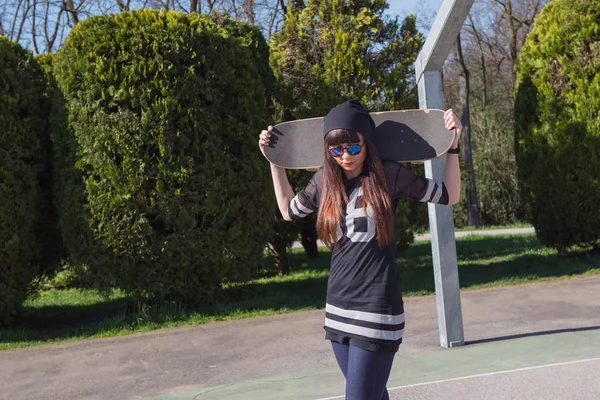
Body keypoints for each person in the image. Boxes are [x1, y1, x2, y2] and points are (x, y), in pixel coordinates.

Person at [258, 99, 462, 400]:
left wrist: (454, 147)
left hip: (377, 308)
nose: (345, 156)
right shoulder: (324, 182)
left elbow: (449, 195)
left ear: (367, 143)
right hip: (338, 307)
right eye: (336, 150)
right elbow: (289, 210)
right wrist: (276, 161)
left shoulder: (388, 176)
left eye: (353, 147)